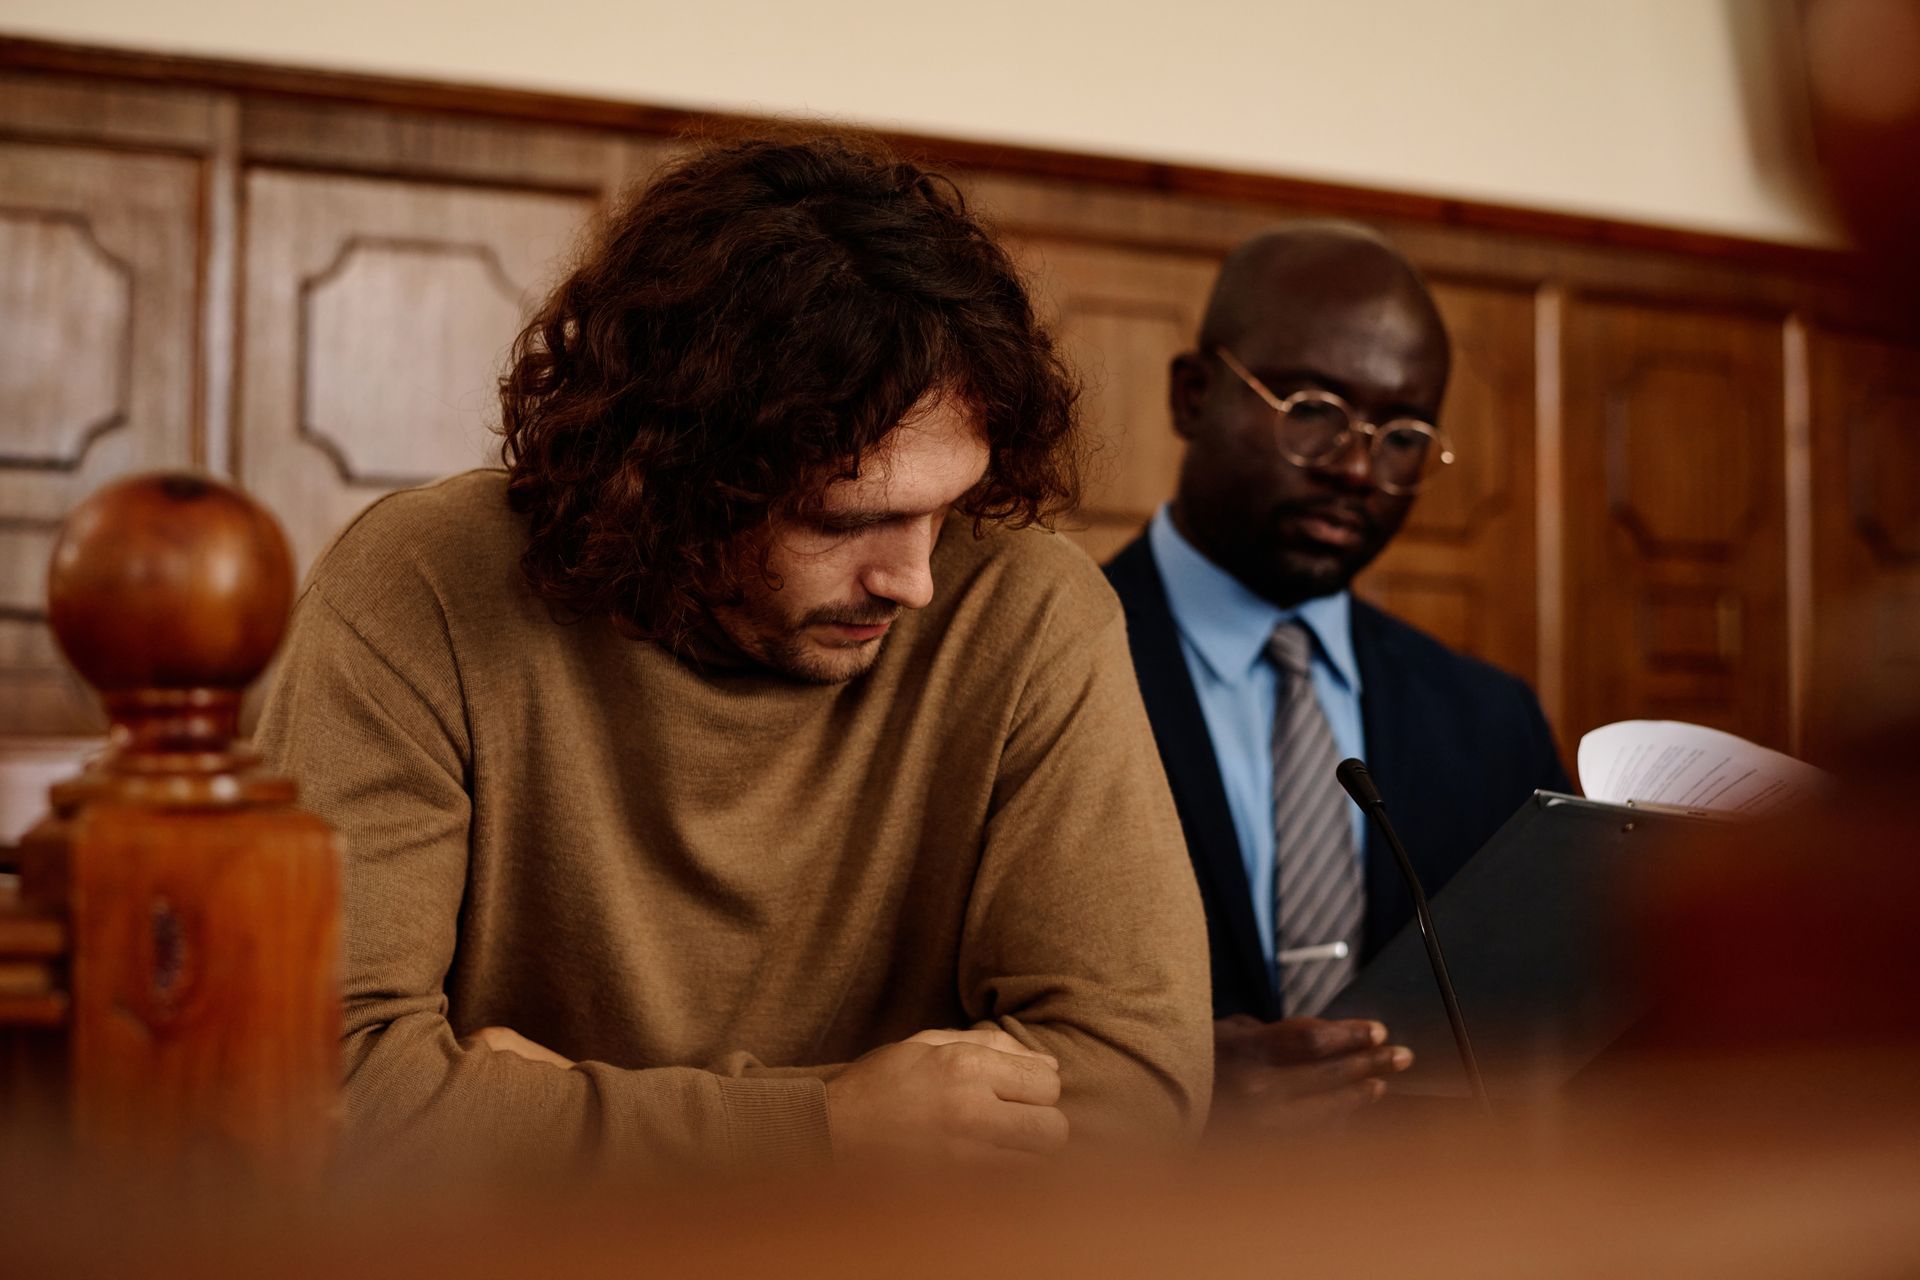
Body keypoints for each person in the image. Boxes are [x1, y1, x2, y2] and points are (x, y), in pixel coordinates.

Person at [256, 133, 1211, 1173]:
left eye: (948, 508)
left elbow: (1134, 1086)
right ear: (665, 473)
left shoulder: (1030, 609)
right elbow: (327, 1085)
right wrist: (832, 1128)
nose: (915, 579)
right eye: (843, 519)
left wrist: (535, 1115)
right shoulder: (418, 584)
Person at [1104, 223, 1569, 1131]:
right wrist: (1176, 1095)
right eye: (1314, 411)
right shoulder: (1027, 670)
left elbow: (1539, 1027)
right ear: (1193, 395)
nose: (1359, 470)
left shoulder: (1490, 721)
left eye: (1403, 437)